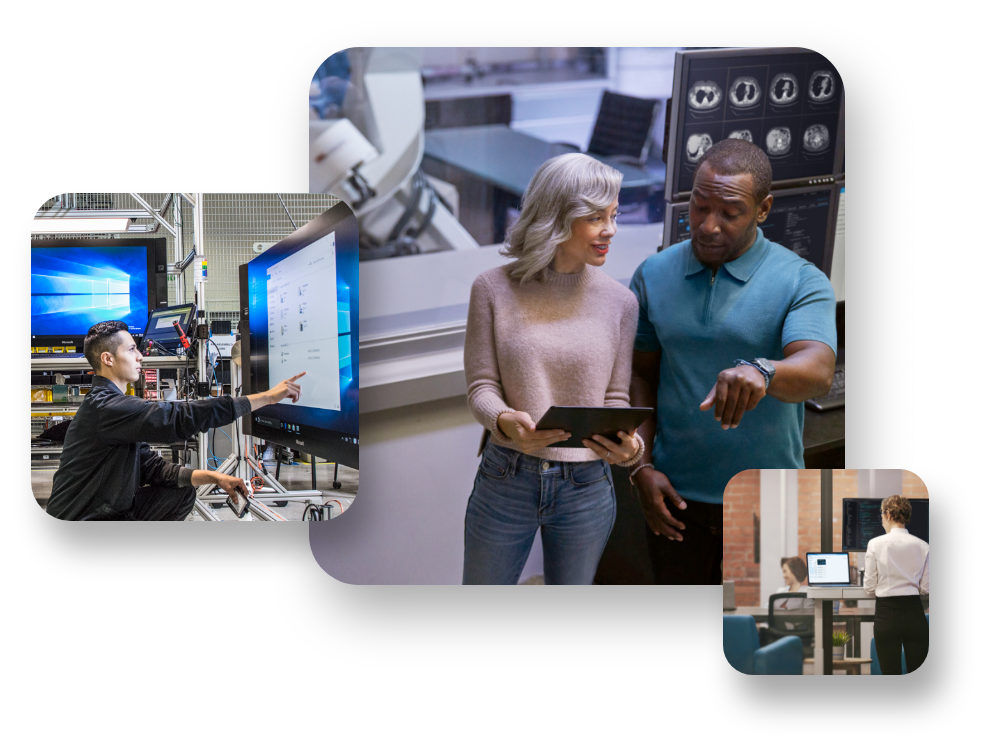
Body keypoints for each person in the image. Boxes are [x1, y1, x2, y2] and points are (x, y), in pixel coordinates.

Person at [628, 138, 837, 584]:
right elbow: (639, 375)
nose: (707, 225)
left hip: (769, 504)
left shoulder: (800, 279)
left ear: (763, 210)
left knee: (767, 644)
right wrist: (641, 467)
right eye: (699, 206)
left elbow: (818, 370)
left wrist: (762, 370)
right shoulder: (653, 274)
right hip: (675, 500)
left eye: (729, 213)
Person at [463, 153, 644, 585]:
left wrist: (630, 449)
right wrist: (503, 420)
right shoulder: (492, 288)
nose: (611, 230)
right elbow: (482, 386)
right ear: (558, 218)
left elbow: (615, 399)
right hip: (507, 475)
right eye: (596, 217)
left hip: (588, 483)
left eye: (614, 215)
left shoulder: (621, 303)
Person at [47, 320, 306, 521]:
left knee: (181, 492)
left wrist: (216, 478)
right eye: (132, 349)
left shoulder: (111, 406)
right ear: (108, 359)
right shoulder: (107, 406)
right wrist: (266, 398)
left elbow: (155, 469)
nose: (140, 356)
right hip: (84, 516)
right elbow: (178, 418)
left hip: (106, 509)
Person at [865, 495, 930, 674]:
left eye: (881, 515)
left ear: (889, 514)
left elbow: (869, 586)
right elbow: (925, 588)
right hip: (914, 613)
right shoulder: (923, 546)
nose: (882, 520)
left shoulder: (875, 544)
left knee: (890, 671)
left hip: (886, 614)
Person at [759, 557, 813, 648]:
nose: (783, 576)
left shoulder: (808, 593)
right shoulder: (780, 592)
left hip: (797, 634)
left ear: (794, 571)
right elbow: (765, 611)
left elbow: (809, 619)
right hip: (775, 633)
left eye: (785, 571)